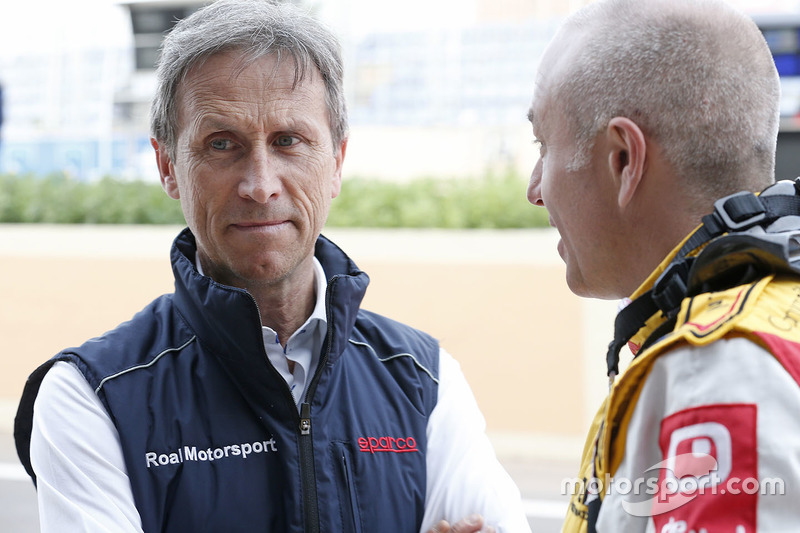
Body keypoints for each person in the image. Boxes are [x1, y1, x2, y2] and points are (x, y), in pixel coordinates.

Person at [13, 2, 530, 532]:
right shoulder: (90, 397)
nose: (260, 185)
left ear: (336, 162)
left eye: (288, 141)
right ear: (168, 166)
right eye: (222, 144)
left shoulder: (425, 379)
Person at [526, 0, 800, 531]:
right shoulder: (765, 317)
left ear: (624, 159)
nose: (535, 189)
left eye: (543, 145)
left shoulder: (716, 373)